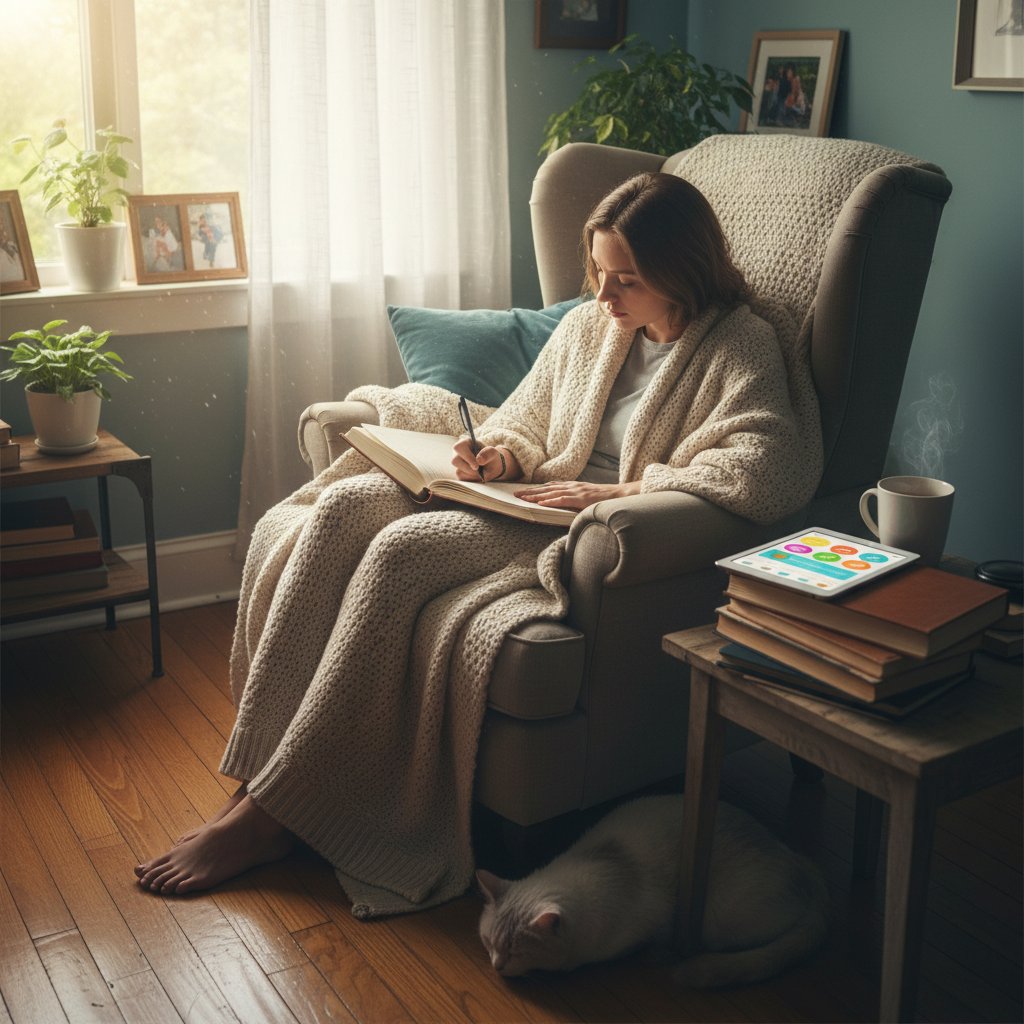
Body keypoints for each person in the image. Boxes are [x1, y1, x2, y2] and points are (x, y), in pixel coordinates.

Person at [134, 172, 822, 914]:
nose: (604, 297)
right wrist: (498, 455)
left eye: (627, 279)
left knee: (398, 557)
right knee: (341, 510)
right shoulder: (597, 327)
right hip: (526, 492)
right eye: (599, 273)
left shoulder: (739, 342)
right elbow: (527, 418)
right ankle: (261, 774)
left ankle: (269, 822)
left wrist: (619, 492)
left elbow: (765, 465)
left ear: (681, 271)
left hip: (579, 524)